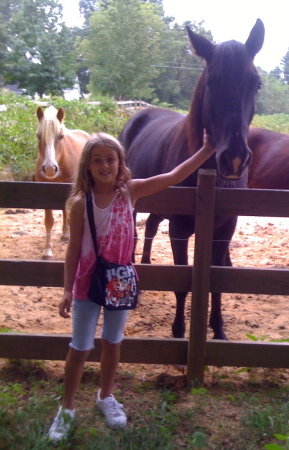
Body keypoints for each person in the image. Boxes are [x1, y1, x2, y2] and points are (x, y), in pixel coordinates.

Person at [48, 130, 215, 442]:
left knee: (113, 342)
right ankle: (66, 408)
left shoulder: (130, 192)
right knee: (80, 347)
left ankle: (105, 396)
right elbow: (72, 249)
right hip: (87, 282)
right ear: (87, 165)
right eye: (97, 160)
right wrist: (67, 289)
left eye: (110, 159)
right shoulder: (79, 203)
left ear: (120, 162)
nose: (105, 165)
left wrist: (207, 150)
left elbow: (174, 175)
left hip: (120, 281)